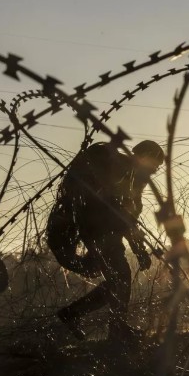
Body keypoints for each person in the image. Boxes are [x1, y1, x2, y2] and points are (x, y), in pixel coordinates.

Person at [50, 140, 164, 342]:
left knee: (117, 280)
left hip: (102, 231)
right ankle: (115, 330)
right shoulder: (122, 169)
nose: (155, 171)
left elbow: (128, 219)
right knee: (120, 277)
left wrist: (139, 250)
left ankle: (74, 314)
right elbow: (125, 216)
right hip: (100, 232)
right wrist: (138, 249)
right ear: (144, 157)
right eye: (154, 165)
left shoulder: (130, 175)